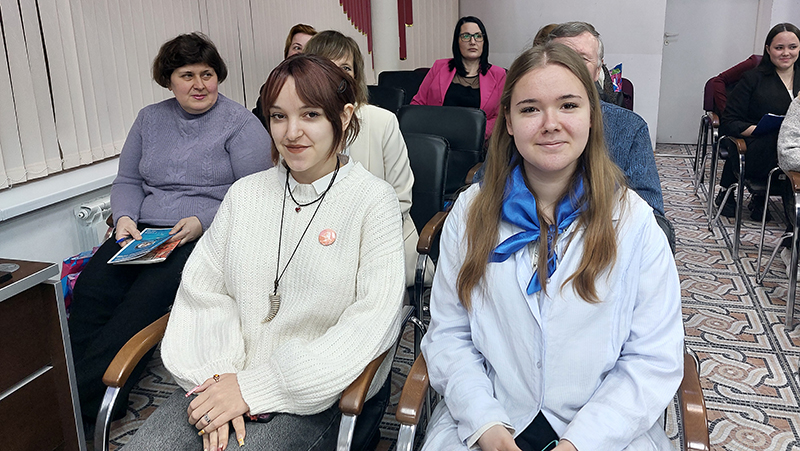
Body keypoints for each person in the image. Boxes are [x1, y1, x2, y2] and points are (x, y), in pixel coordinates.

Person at [124, 54, 405, 451]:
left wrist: (255, 388)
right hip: (223, 375)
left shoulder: (373, 201)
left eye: (310, 115)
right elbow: (203, 291)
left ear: (343, 117)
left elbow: (371, 321)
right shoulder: (244, 195)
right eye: (278, 116)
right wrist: (221, 379)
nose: (292, 132)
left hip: (315, 391)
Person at [420, 43, 684, 451]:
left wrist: (581, 442)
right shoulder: (470, 213)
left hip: (605, 430)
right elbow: (450, 335)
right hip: (490, 417)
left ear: (592, 116)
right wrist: (486, 425)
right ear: (508, 121)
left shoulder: (636, 223)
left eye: (568, 106)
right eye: (530, 109)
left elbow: (652, 357)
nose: (550, 124)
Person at [68, 32, 271, 429]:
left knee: (140, 305)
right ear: (169, 80)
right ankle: (67, 391)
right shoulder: (149, 119)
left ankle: (86, 404)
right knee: (92, 290)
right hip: (142, 232)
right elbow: (128, 180)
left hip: (204, 234)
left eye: (207, 74)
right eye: (187, 75)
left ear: (218, 76)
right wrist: (124, 217)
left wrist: (203, 222)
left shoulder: (241, 124)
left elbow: (257, 194)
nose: (199, 85)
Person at [304, 30, 424, 286]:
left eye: (346, 68)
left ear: (356, 77)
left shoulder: (382, 122)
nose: (338, 76)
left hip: (380, 243)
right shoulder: (299, 129)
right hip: (316, 244)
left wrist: (353, 243)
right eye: (327, 66)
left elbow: (400, 199)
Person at [544, 21, 673, 249]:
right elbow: (486, 191)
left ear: (598, 70)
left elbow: (654, 221)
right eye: (561, 58)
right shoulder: (526, 122)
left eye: (581, 59)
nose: (570, 68)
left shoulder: (629, 128)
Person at [717, 23, 800, 220]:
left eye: (793, 47)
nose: (786, 53)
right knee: (777, 144)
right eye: (779, 48)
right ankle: (772, 204)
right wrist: (757, 129)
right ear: (768, 49)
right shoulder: (752, 79)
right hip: (760, 143)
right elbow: (729, 121)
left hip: (796, 144)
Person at [411, 16, 506, 141]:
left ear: (484, 41)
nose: (473, 42)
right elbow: (418, 104)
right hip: (438, 138)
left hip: (476, 141)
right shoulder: (439, 67)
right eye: (466, 36)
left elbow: (500, 116)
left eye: (478, 36)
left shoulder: (498, 74)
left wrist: (476, 132)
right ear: (457, 42)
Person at [253, 24, 319, 128]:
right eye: (297, 47)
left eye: (308, 48)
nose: (302, 53)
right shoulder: (270, 89)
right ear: (287, 52)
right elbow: (257, 126)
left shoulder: (323, 89)